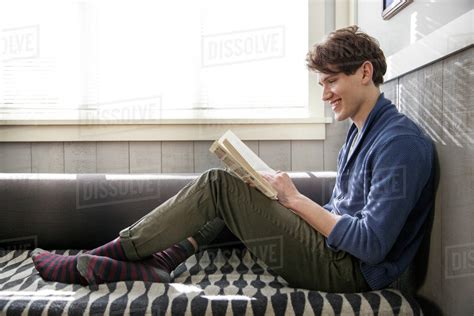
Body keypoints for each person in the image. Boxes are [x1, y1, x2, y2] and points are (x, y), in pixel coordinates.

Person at [32, 25, 435, 293]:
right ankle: (161, 260)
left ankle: (104, 258)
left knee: (217, 184)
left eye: (332, 81)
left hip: (351, 272)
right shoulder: (361, 131)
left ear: (365, 72)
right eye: (322, 83)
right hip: (332, 251)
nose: (325, 93)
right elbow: (343, 211)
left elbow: (371, 244)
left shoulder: (400, 143)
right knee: (239, 184)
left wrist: (295, 200)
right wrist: (274, 196)